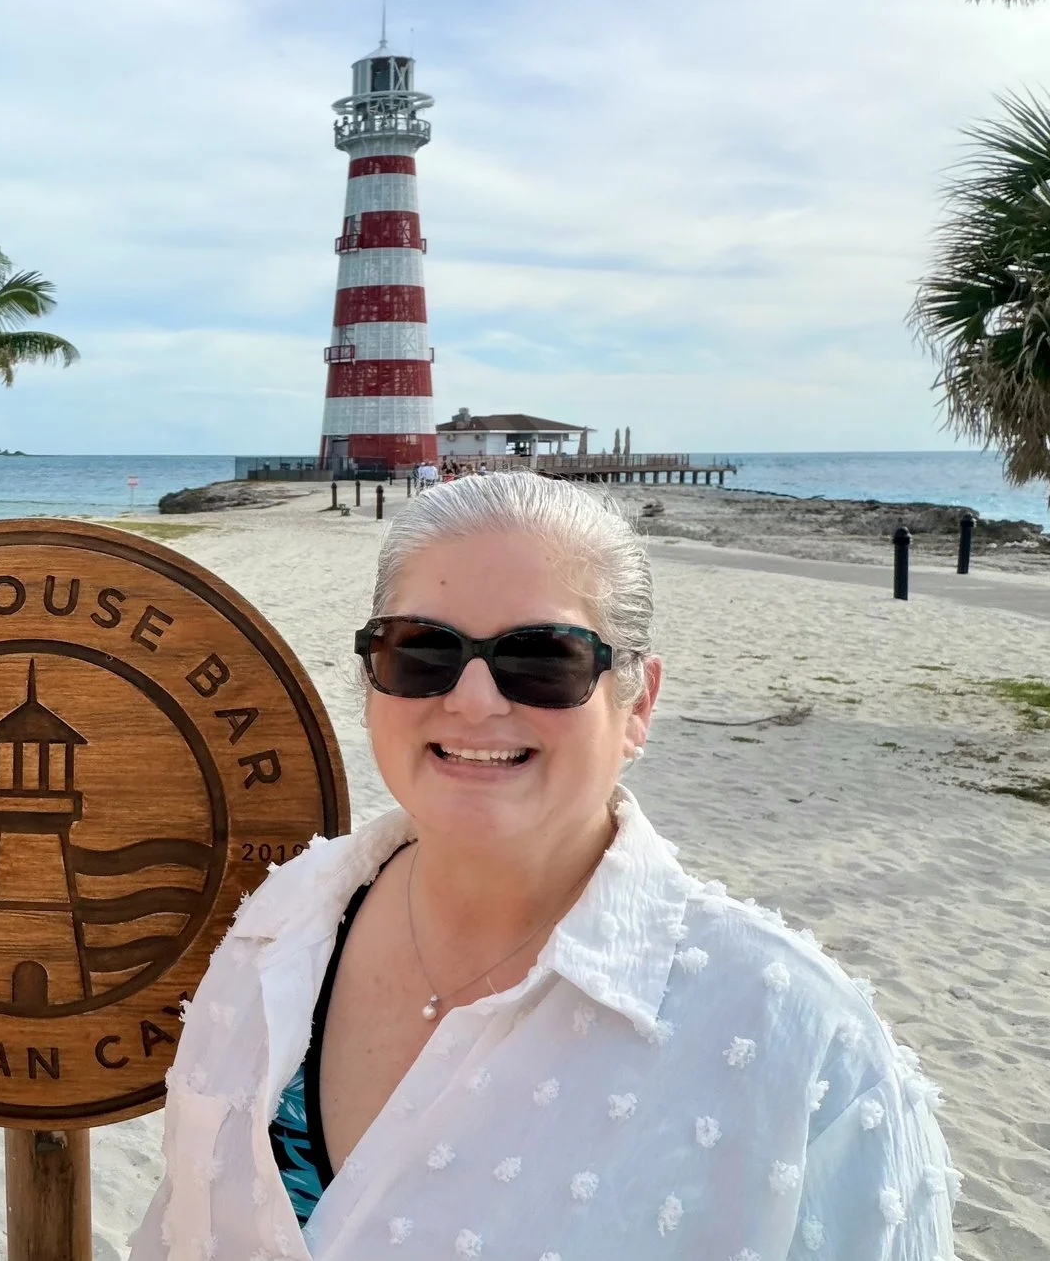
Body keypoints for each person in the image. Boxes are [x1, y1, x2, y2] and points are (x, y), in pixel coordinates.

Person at [134, 471, 954, 1261]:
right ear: (371, 676)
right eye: (422, 650)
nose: (476, 700)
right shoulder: (284, 924)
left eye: (544, 658)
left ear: (638, 702)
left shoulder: (806, 1052)